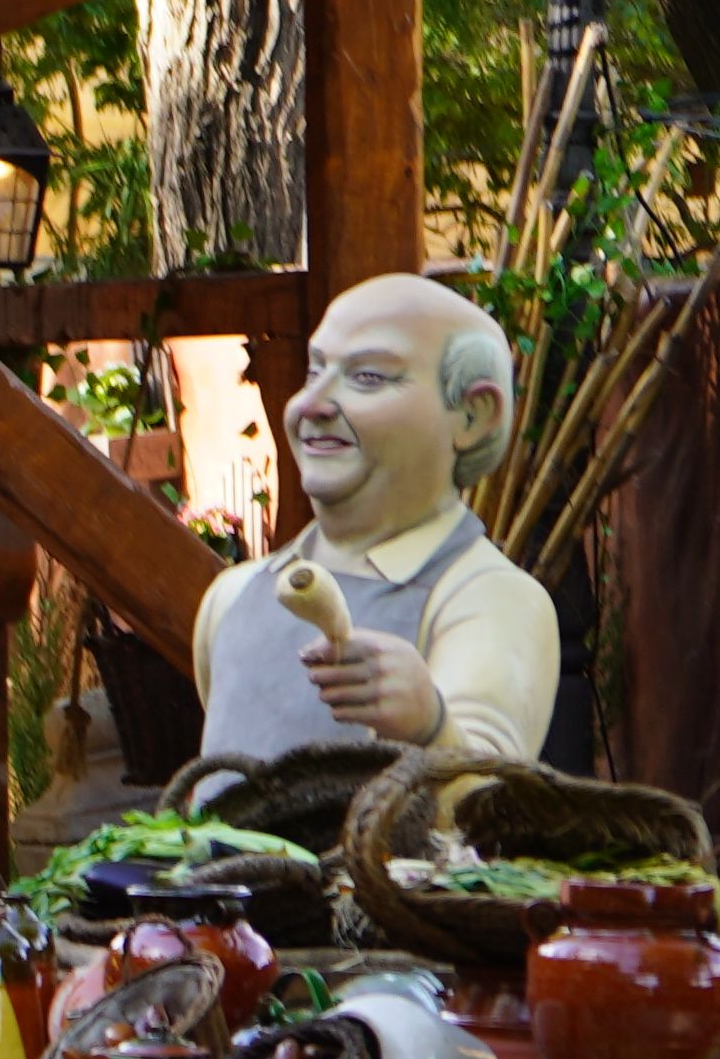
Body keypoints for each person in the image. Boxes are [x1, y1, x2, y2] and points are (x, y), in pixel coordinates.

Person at [184, 272, 560, 769]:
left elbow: (492, 794)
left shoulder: (488, 598)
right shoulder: (233, 596)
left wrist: (432, 724)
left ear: (471, 416)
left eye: (368, 377)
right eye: (314, 372)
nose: (312, 405)